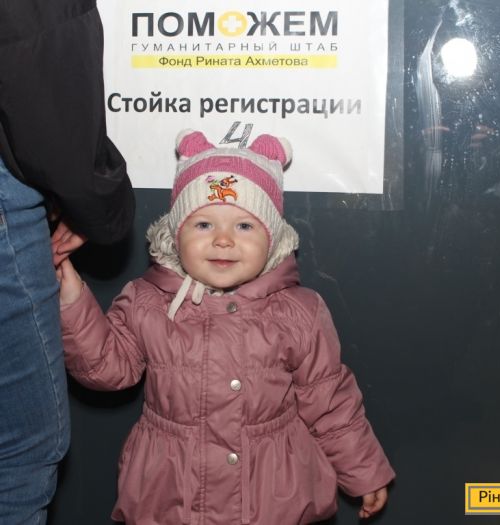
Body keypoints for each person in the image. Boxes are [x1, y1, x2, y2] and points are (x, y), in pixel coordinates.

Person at [57, 130, 395, 524]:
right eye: (203, 224)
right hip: (171, 494)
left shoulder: (298, 311)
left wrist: (363, 471)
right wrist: (72, 303)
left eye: (244, 226)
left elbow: (330, 402)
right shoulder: (147, 301)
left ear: (272, 238)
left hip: (271, 497)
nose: (222, 240)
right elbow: (106, 369)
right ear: (176, 234)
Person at [0, 1, 135, 523]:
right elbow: (36, 49)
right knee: (16, 457)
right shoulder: (153, 301)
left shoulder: (301, 315)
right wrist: (96, 202)